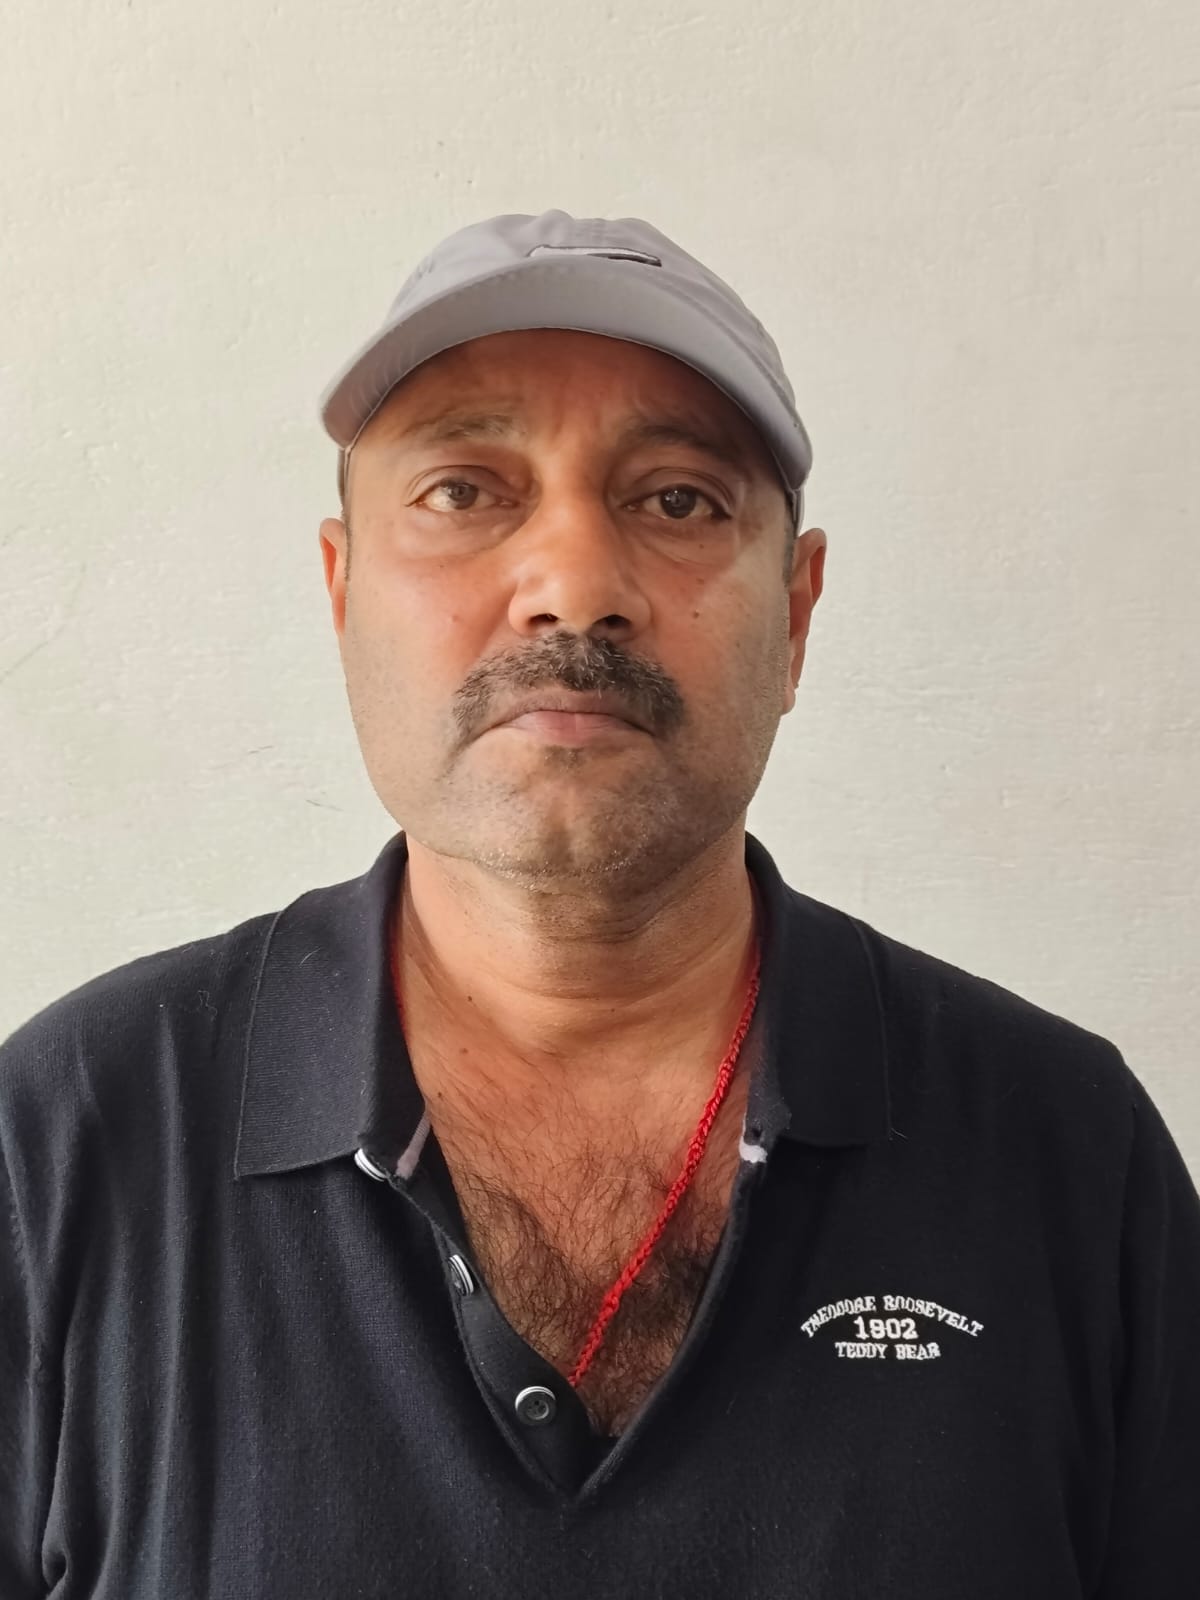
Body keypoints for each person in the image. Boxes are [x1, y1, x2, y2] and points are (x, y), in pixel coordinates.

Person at [1, 209, 1197, 1598]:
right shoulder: (67, 1143)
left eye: (678, 499)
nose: (573, 586)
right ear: (340, 590)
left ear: (797, 614)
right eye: (464, 489)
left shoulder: (1067, 1155)